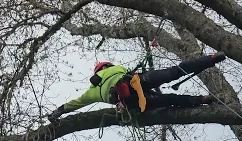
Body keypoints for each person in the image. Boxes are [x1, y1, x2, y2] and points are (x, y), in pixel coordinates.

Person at [48, 52, 226, 123]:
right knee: (174, 72)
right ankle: (210, 59)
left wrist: (58, 111)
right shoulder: (117, 68)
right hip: (136, 82)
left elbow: (74, 104)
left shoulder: (91, 92)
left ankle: (203, 99)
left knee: (168, 100)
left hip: (129, 101)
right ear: (106, 66)